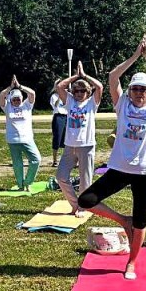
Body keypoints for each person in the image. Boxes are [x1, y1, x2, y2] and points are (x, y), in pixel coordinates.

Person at [78, 36, 146, 279]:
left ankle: (131, 262)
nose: (139, 92)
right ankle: (123, 220)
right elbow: (112, 77)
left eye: (144, 89)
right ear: (129, 91)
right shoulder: (122, 105)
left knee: (141, 220)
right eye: (135, 88)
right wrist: (134, 56)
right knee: (86, 200)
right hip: (119, 169)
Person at [55, 61, 104, 215]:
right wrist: (76, 76)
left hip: (86, 145)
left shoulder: (91, 103)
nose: (79, 93)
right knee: (61, 176)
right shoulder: (69, 101)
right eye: (76, 91)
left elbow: (100, 87)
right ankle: (76, 204)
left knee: (85, 180)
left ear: (88, 92)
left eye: (82, 91)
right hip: (70, 146)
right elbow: (60, 87)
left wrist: (85, 76)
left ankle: (84, 207)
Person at [0, 76, 41, 191]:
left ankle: (28, 181)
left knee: (36, 159)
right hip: (13, 140)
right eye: (14, 99)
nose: (16, 101)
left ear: (22, 99)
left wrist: (20, 87)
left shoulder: (27, 105)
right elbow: (1, 96)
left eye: (18, 99)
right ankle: (20, 185)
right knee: (17, 164)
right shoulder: (7, 107)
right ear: (11, 99)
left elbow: (32, 93)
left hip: (27, 139)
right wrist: (10, 87)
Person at [50, 80, 68, 167]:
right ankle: (55, 160)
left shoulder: (68, 95)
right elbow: (55, 105)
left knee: (67, 139)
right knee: (57, 138)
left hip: (67, 117)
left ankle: (67, 160)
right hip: (58, 117)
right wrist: (60, 96)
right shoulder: (54, 96)